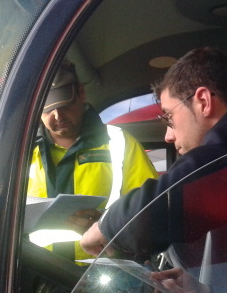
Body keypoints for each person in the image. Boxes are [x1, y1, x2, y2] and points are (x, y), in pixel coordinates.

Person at [80, 47, 227, 259]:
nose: (168, 136)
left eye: (169, 117)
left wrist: (108, 226)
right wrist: (194, 281)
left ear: (203, 101)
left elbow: (184, 188)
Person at [27, 60, 158, 261]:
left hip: (101, 268)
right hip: (37, 268)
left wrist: (107, 223)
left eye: (64, 104)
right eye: (47, 109)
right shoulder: (23, 152)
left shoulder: (120, 142)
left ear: (81, 93)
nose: (58, 115)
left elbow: (150, 208)